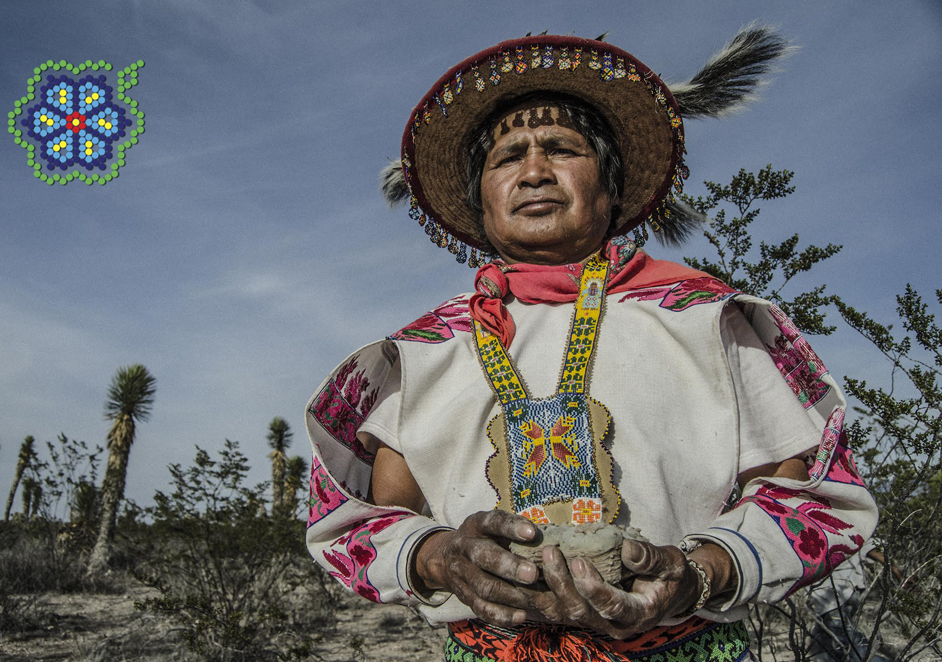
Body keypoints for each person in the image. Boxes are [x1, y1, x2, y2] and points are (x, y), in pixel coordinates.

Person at [305, 28, 878, 661]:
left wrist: (698, 572)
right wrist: (441, 558)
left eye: (561, 148)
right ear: (481, 203)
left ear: (609, 185)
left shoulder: (706, 321)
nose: (534, 172)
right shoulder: (420, 355)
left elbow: (803, 499)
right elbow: (374, 521)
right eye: (506, 157)